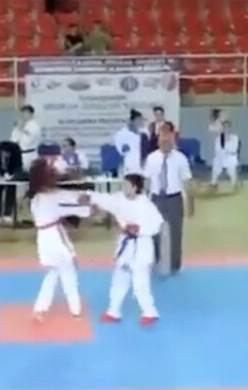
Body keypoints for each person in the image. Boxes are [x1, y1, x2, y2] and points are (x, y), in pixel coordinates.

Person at [78, 174, 163, 325]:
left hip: (141, 245)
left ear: (135, 188)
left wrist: (140, 229)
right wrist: (90, 197)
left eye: (127, 185)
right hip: (125, 245)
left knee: (140, 281)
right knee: (120, 278)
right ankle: (113, 311)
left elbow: (157, 224)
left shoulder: (146, 205)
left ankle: (149, 312)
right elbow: (105, 200)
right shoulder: (119, 199)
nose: (124, 188)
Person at [29, 158, 82, 322]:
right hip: (55, 237)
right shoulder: (55, 197)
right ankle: (76, 310)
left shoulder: (35, 199)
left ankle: (40, 309)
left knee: (52, 273)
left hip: (43, 239)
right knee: (68, 272)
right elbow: (77, 203)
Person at [143, 123, 194, 275]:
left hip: (174, 199)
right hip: (156, 198)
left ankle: (175, 265)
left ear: (173, 140)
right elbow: (147, 181)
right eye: (162, 140)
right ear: (158, 140)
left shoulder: (180, 158)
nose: (165, 143)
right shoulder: (151, 158)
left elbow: (187, 181)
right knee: (154, 232)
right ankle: (156, 260)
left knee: (176, 233)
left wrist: (190, 203)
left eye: (168, 140)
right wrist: (143, 201)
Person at [210, 119, 240, 190]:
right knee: (216, 163)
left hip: (231, 157)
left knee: (231, 168)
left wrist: (225, 149)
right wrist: (225, 150)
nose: (226, 129)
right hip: (220, 157)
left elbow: (234, 150)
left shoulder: (235, 138)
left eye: (228, 127)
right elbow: (217, 150)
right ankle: (214, 183)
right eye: (225, 127)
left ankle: (234, 184)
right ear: (223, 128)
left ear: (230, 128)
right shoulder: (218, 138)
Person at [114, 109, 145, 174]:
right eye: (138, 120)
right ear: (132, 121)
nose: (140, 122)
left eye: (140, 120)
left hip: (143, 164)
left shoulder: (144, 132)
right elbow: (121, 150)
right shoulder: (122, 134)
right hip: (130, 164)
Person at [9, 105, 41, 169]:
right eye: (23, 113)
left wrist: (21, 129)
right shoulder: (20, 125)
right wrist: (18, 128)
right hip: (19, 154)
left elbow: (27, 142)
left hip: (30, 155)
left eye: (26, 113)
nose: (24, 115)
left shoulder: (34, 126)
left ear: (31, 114)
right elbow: (13, 140)